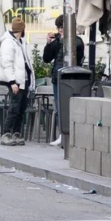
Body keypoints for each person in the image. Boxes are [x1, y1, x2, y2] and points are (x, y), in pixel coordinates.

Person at [43, 15, 86, 146]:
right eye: (58, 27)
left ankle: (69, 135)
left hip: (71, 79)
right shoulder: (56, 41)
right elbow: (46, 58)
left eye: (62, 27)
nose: (60, 30)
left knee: (69, 107)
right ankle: (62, 134)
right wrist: (49, 44)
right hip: (58, 78)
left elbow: (76, 53)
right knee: (59, 108)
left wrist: (60, 40)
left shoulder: (77, 41)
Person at [0, 16, 33, 147]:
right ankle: (6, 133)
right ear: (22, 29)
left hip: (22, 80)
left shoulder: (19, 42)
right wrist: (12, 82)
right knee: (14, 108)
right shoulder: (8, 42)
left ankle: (16, 133)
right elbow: (7, 63)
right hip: (16, 81)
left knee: (21, 108)